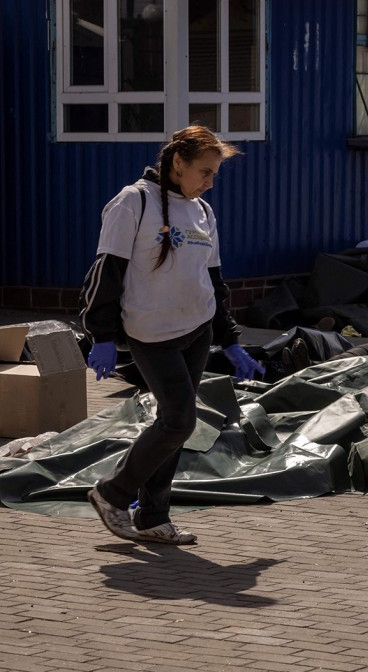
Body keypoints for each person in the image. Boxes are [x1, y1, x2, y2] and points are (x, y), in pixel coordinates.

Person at [79, 125, 264, 545]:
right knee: (180, 420)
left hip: (195, 330)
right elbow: (106, 272)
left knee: (173, 423)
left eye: (215, 174)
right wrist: (101, 334)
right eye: (204, 171)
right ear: (177, 163)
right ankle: (111, 494)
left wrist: (230, 339)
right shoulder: (134, 202)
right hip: (150, 331)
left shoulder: (203, 212)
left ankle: (151, 518)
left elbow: (212, 281)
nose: (210, 182)